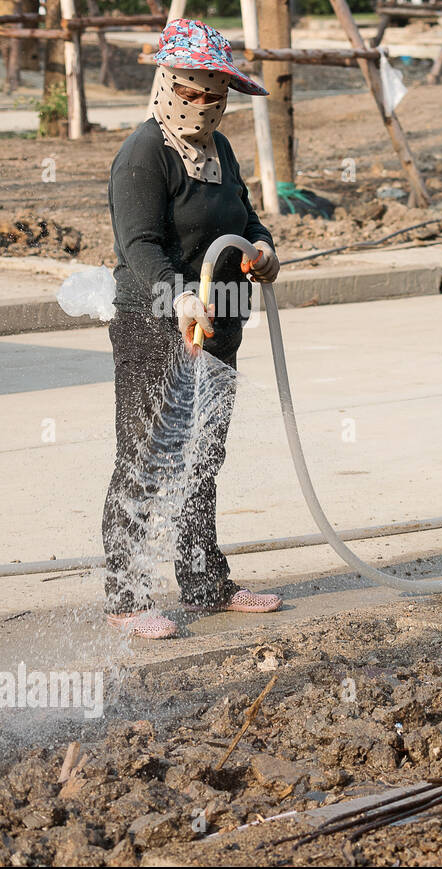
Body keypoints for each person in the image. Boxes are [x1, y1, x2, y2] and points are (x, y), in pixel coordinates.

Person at [103, 19, 283, 639]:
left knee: (203, 456)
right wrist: (178, 297)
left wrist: (261, 248)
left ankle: (205, 582)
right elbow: (141, 246)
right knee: (148, 458)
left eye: (216, 93)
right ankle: (127, 595)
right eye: (194, 90)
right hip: (157, 326)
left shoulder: (221, 151)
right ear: (167, 84)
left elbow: (245, 216)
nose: (205, 104)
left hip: (221, 321)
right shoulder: (144, 155)